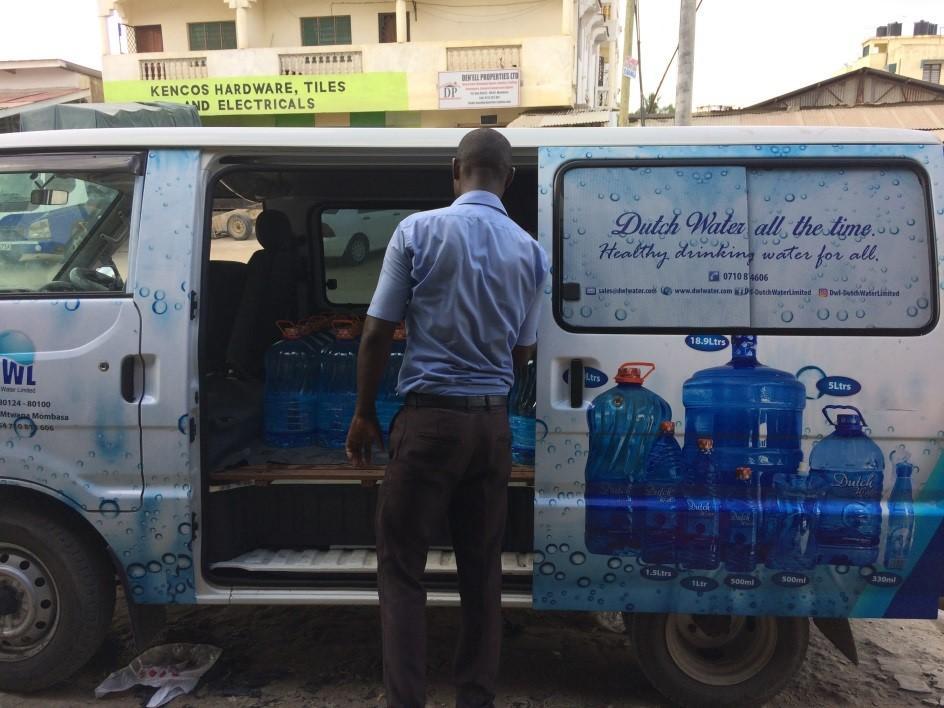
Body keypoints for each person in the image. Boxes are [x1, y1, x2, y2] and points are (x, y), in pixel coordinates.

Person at [345, 127, 549, 708]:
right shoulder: (532, 252)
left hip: (428, 423)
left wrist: (364, 413)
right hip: (491, 428)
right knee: (481, 574)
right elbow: (522, 353)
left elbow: (378, 331)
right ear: (509, 179)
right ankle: (474, 700)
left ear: (455, 170)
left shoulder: (416, 231)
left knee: (403, 568)